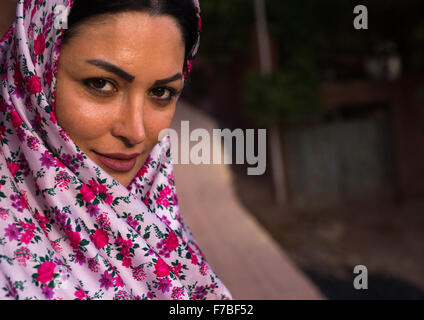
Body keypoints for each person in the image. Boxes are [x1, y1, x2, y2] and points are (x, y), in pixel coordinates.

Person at [0, 0, 232, 300]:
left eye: (161, 93)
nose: (136, 132)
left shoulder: (154, 212)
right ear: (34, 69)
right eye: (101, 84)